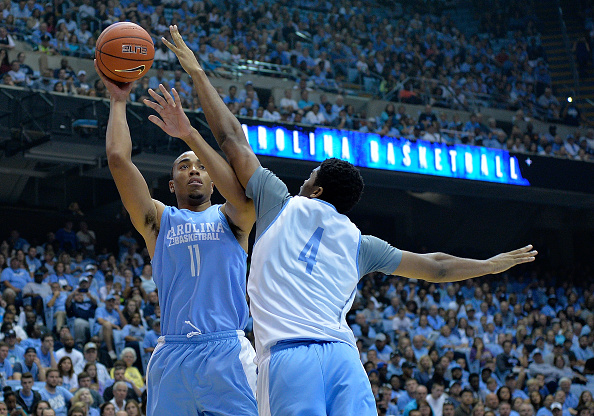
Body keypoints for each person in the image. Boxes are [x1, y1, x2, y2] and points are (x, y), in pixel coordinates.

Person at [160, 25, 539, 416]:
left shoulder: (280, 202)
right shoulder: (363, 245)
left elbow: (231, 138)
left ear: (318, 190)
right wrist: (490, 265)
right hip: (344, 359)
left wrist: (197, 74)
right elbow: (437, 267)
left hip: (291, 361)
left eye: (309, 176)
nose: (303, 179)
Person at [94, 31, 258, 414]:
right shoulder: (159, 220)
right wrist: (119, 100)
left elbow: (244, 184)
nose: (195, 171)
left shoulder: (235, 217)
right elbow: (119, 160)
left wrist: (190, 134)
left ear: (215, 181)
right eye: (185, 166)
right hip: (172, 353)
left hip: (227, 351)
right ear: (172, 183)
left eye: (202, 167)